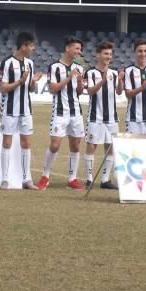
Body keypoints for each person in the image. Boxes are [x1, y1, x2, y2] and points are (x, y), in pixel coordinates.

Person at [37, 36, 86, 191]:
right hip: (60, 112)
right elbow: (53, 89)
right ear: (68, 48)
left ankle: (72, 179)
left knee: (76, 145)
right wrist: (69, 78)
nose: (79, 52)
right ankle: (45, 176)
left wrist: (79, 83)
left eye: (80, 49)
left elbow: (79, 92)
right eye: (76, 48)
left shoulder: (79, 68)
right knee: (55, 144)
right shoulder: (54, 67)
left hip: (76, 112)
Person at [0, 31, 42, 190]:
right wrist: (20, 81)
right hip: (9, 109)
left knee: (26, 143)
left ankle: (27, 179)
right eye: (31, 45)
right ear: (23, 46)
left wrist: (33, 82)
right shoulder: (7, 62)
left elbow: (29, 88)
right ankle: (4, 179)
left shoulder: (30, 63)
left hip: (26, 109)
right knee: (7, 142)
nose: (33, 48)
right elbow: (2, 88)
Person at [83, 41, 123, 190]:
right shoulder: (90, 73)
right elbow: (90, 91)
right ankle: (89, 178)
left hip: (112, 118)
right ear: (97, 55)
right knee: (91, 146)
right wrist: (102, 81)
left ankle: (105, 180)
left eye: (110, 54)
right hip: (95, 117)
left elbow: (119, 92)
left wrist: (119, 80)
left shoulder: (113, 73)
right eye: (106, 54)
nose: (108, 57)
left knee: (110, 147)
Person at [124, 39, 146, 135]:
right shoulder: (129, 71)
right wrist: (141, 88)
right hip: (133, 118)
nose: (143, 54)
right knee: (133, 148)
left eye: (145, 51)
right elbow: (128, 94)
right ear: (135, 52)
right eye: (140, 51)